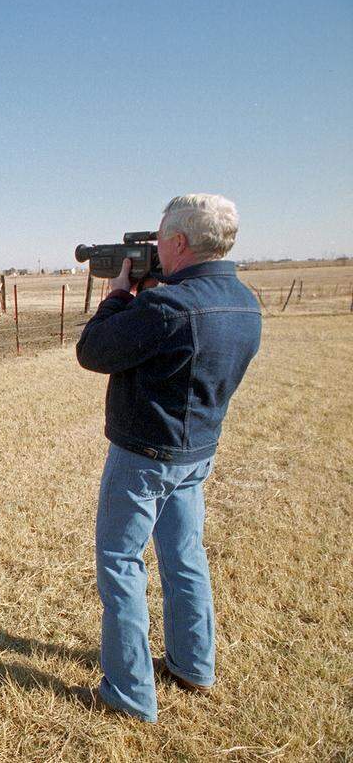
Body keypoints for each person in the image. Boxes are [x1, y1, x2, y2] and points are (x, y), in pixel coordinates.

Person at [76, 194, 262, 722]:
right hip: (197, 453)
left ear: (179, 242)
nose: (155, 246)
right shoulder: (244, 300)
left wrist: (117, 296)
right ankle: (193, 664)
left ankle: (129, 693)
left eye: (159, 238)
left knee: (120, 565)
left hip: (144, 457)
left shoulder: (167, 306)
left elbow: (94, 351)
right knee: (185, 558)